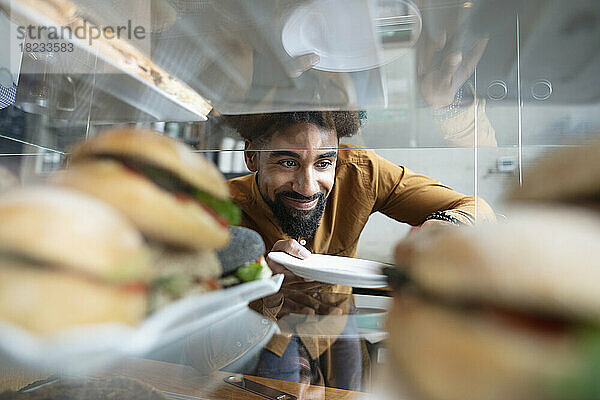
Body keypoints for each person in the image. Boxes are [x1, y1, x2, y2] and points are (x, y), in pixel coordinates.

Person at [225, 111, 495, 390]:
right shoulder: (222, 208)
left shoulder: (361, 171)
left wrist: (442, 227)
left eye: (323, 163)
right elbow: (209, 346)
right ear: (251, 156)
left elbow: (477, 208)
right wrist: (267, 291)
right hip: (267, 332)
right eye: (288, 162)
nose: (307, 187)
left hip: (338, 323)